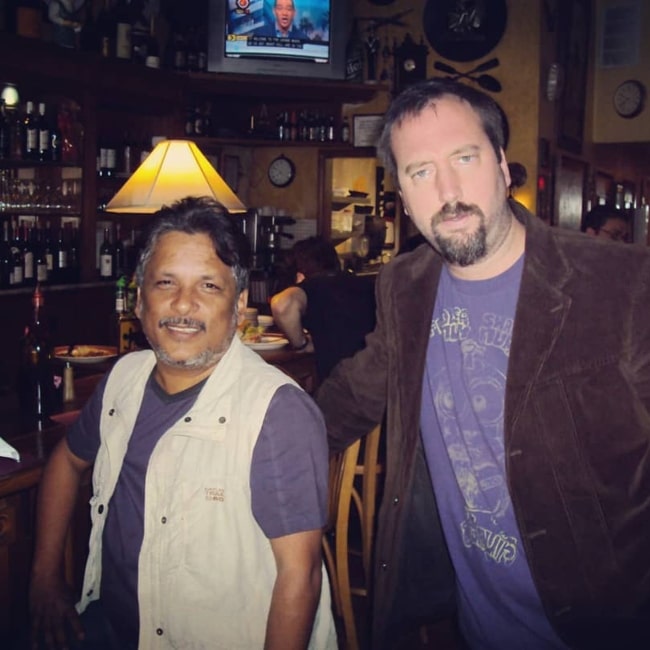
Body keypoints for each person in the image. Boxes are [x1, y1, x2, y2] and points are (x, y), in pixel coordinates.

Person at [315, 78, 650, 650]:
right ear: (401, 191)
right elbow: (356, 393)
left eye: (463, 158)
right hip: (473, 629)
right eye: (420, 172)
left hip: (603, 625)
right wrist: (255, 428)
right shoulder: (405, 285)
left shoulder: (622, 284)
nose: (447, 189)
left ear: (501, 164)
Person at [29, 197, 337, 650]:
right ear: (139, 299)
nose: (183, 304)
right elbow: (67, 460)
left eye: (209, 286)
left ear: (238, 304)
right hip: (109, 627)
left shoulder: (277, 414)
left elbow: (301, 577)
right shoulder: (123, 380)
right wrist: (43, 578)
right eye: (166, 282)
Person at [270, 235, 376, 382]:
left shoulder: (313, 286)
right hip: (375, 380)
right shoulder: (364, 284)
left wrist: (301, 344)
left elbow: (282, 305)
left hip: (339, 386)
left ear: (300, 276)